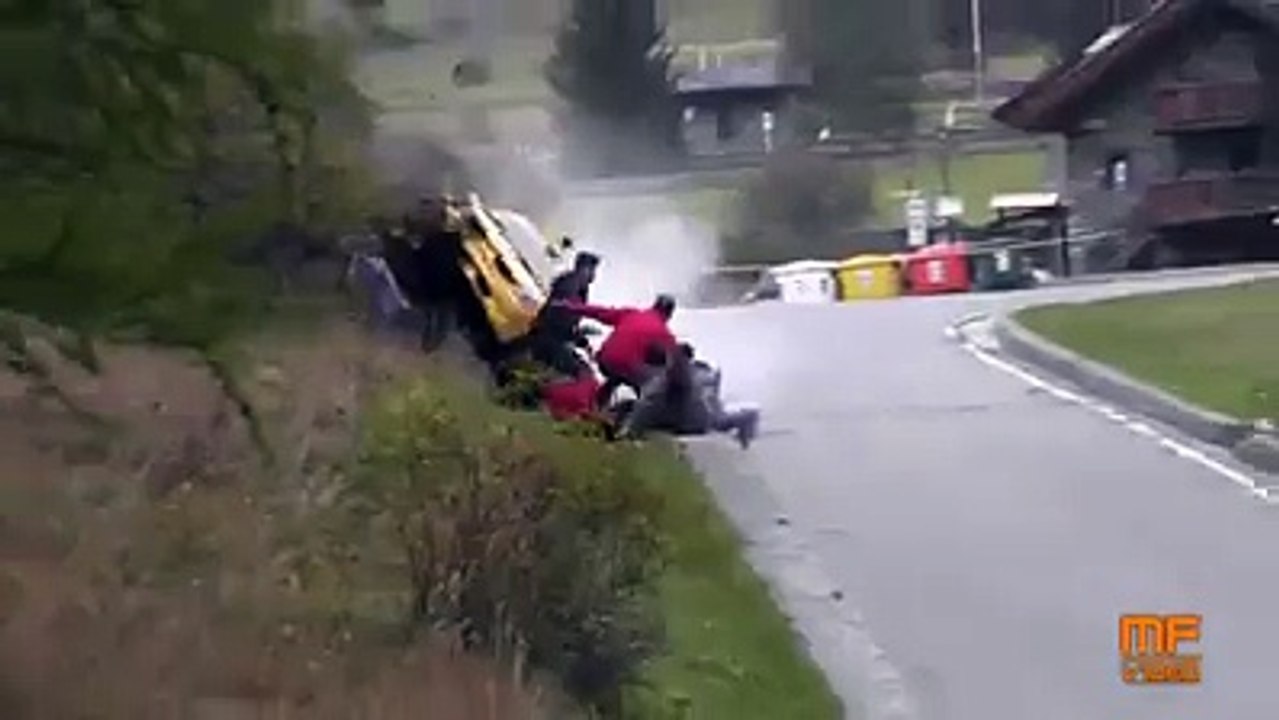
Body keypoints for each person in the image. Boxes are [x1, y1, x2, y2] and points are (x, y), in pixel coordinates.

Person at [619, 343, 760, 448]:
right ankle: (746, 440)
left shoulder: (655, 394)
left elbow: (631, 430)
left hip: (695, 418)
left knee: (723, 417)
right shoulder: (655, 395)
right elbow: (631, 430)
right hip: (693, 418)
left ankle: (746, 441)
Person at [555, 294, 678, 408]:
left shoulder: (631, 314)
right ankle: (642, 412)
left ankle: (598, 403)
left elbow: (600, 312)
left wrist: (571, 306)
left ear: (654, 306)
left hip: (604, 361)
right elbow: (677, 361)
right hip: (626, 368)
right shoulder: (664, 333)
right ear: (669, 314)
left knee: (618, 374)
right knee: (653, 380)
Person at [528, 251, 601, 377]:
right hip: (549, 338)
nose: (594, 275)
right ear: (584, 269)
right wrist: (576, 337)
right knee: (584, 374)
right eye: (593, 270)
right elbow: (561, 320)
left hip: (548, 335)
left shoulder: (574, 284)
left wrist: (582, 341)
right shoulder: (572, 287)